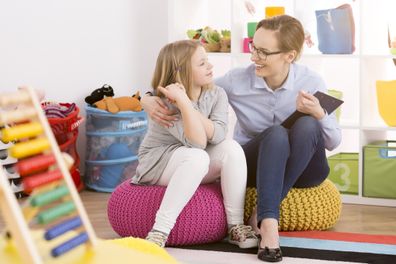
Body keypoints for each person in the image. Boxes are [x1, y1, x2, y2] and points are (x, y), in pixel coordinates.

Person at [141, 15, 341, 262]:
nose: (254, 57)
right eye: (253, 47)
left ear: (289, 56)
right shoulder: (237, 80)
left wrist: (319, 113)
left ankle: (266, 206)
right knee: (277, 134)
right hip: (258, 165)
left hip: (306, 168)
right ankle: (268, 224)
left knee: (308, 124)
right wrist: (146, 98)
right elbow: (188, 78)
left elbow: (333, 142)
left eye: (263, 52)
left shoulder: (312, 81)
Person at [132, 40, 258, 249]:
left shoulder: (217, 94)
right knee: (197, 156)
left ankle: (235, 226)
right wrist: (181, 102)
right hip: (158, 162)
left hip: (192, 159)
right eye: (202, 63)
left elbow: (218, 135)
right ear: (181, 70)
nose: (210, 66)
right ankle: (159, 231)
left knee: (232, 148)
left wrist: (187, 104)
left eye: (207, 60)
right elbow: (197, 142)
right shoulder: (164, 100)